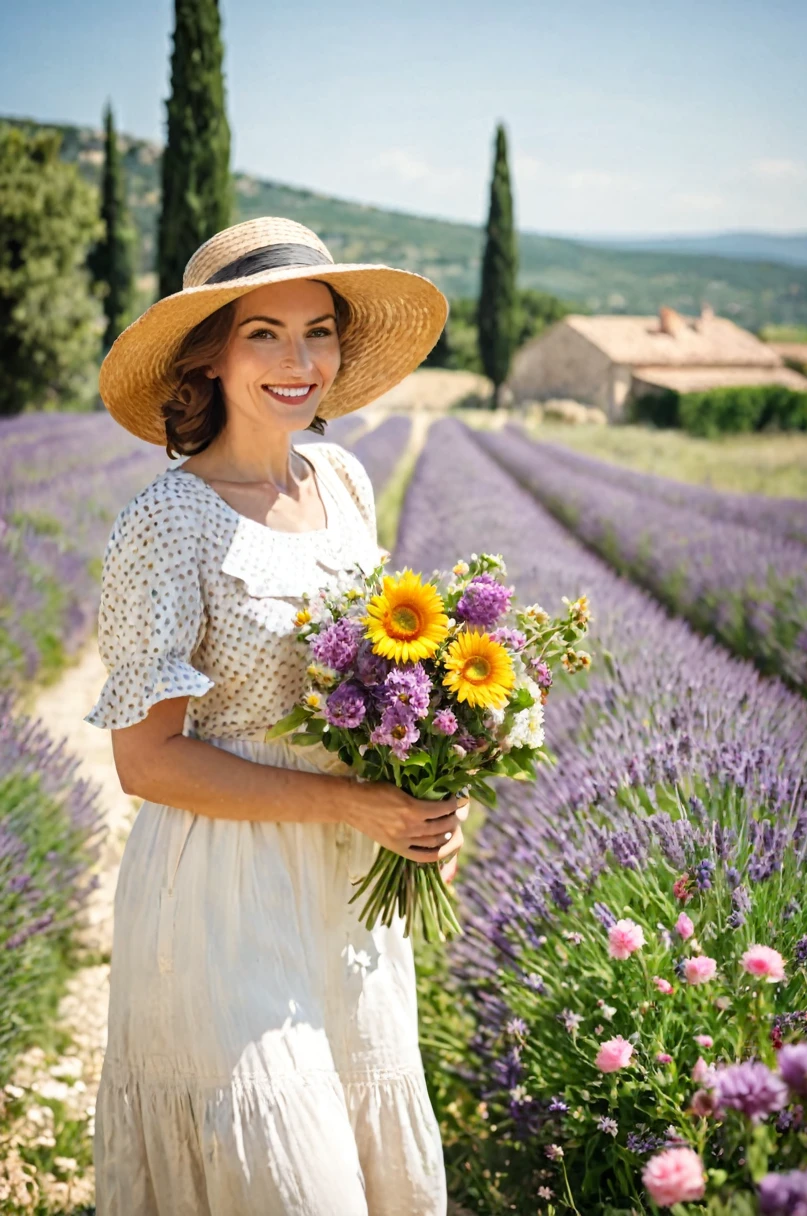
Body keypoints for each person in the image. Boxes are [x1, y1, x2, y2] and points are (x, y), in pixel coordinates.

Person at [83, 215, 467, 1215]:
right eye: (264, 333)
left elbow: (382, 675)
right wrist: (351, 807)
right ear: (208, 353)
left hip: (346, 894)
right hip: (223, 894)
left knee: (365, 1161)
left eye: (319, 332)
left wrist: (424, 788)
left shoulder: (342, 483)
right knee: (291, 1181)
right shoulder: (165, 522)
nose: (298, 361)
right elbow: (148, 762)